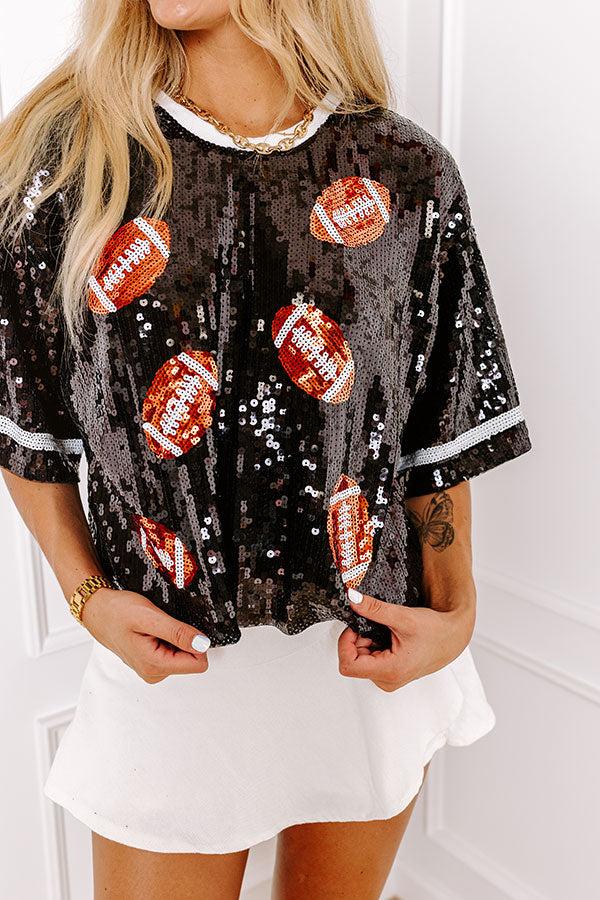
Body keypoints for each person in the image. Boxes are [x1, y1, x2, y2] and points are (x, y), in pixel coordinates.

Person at [0, 1, 532, 897]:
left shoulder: (406, 171)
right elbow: (27, 424)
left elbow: (438, 427)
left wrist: (458, 606)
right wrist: (87, 597)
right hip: (172, 673)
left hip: (366, 666)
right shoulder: (69, 166)